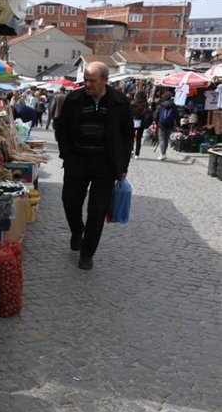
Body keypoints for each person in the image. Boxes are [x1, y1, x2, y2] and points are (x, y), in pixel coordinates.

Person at [54, 61, 133, 270]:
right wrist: (67, 154)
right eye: (86, 80)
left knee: (97, 211)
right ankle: (77, 230)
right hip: (77, 160)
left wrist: (122, 165)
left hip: (105, 165)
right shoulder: (73, 99)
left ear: (105, 81)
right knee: (70, 202)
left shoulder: (120, 102)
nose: (87, 84)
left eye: (92, 80)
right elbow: (60, 129)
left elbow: (127, 135)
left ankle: (87, 253)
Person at [153, 91, 178, 161]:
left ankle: (162, 154)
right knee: (166, 139)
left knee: (161, 139)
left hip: (161, 124)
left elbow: (156, 114)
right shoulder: (173, 105)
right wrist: (177, 124)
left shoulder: (161, 105)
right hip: (170, 124)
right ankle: (164, 153)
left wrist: (156, 121)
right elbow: (177, 115)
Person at [130, 90, 152, 159]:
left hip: (133, 121)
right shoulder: (145, 104)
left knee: (131, 137)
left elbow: (129, 113)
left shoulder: (133, 103)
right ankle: (137, 154)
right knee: (138, 138)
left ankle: (131, 150)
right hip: (142, 122)